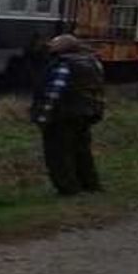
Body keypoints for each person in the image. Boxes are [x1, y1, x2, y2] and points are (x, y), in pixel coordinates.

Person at [31, 34, 105, 196]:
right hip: (86, 113)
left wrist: (42, 116)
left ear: (63, 47)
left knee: (59, 153)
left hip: (62, 115)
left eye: (54, 42)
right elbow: (98, 89)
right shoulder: (92, 62)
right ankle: (90, 184)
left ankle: (69, 188)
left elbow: (54, 93)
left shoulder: (63, 64)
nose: (50, 45)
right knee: (82, 151)